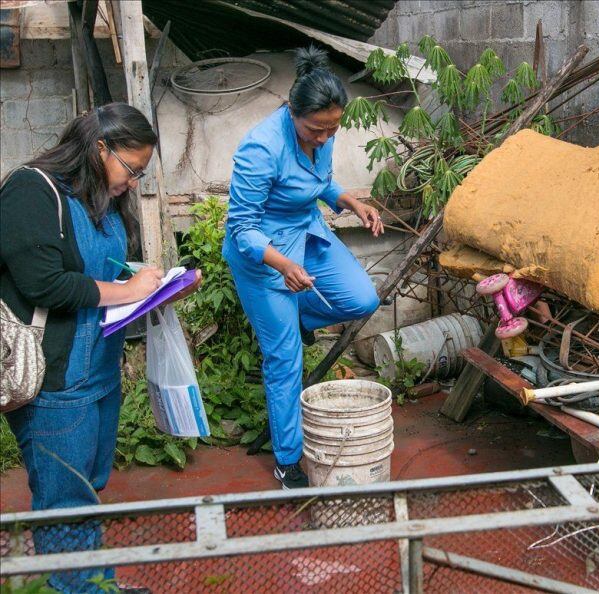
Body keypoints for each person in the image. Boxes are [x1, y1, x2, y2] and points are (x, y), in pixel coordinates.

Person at [0, 103, 201, 594]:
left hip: (100, 370)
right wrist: (130, 292)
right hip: (56, 380)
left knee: (88, 487)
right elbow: (44, 284)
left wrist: (154, 287)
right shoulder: (31, 191)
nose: (134, 181)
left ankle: (96, 586)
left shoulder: (101, 199)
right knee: (65, 498)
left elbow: (110, 268)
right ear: (99, 149)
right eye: (131, 169)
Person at [223, 46, 382, 489]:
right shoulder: (261, 147)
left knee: (362, 297)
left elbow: (321, 181)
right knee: (285, 359)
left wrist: (350, 201)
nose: (324, 138)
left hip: (307, 234)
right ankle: (288, 459)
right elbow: (242, 229)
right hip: (265, 254)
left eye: (333, 129)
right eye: (317, 130)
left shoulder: (321, 135)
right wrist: (282, 265)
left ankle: (297, 320)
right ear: (293, 112)